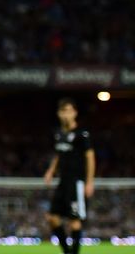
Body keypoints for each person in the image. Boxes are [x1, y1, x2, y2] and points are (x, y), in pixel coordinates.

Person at [43, 98, 95, 254]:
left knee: (74, 220)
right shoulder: (59, 134)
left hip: (76, 182)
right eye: (62, 111)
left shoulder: (82, 134)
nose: (65, 114)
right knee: (52, 218)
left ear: (75, 113)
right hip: (62, 182)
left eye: (68, 111)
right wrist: (51, 170)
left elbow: (90, 157)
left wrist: (89, 182)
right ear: (58, 114)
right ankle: (67, 251)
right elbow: (59, 153)